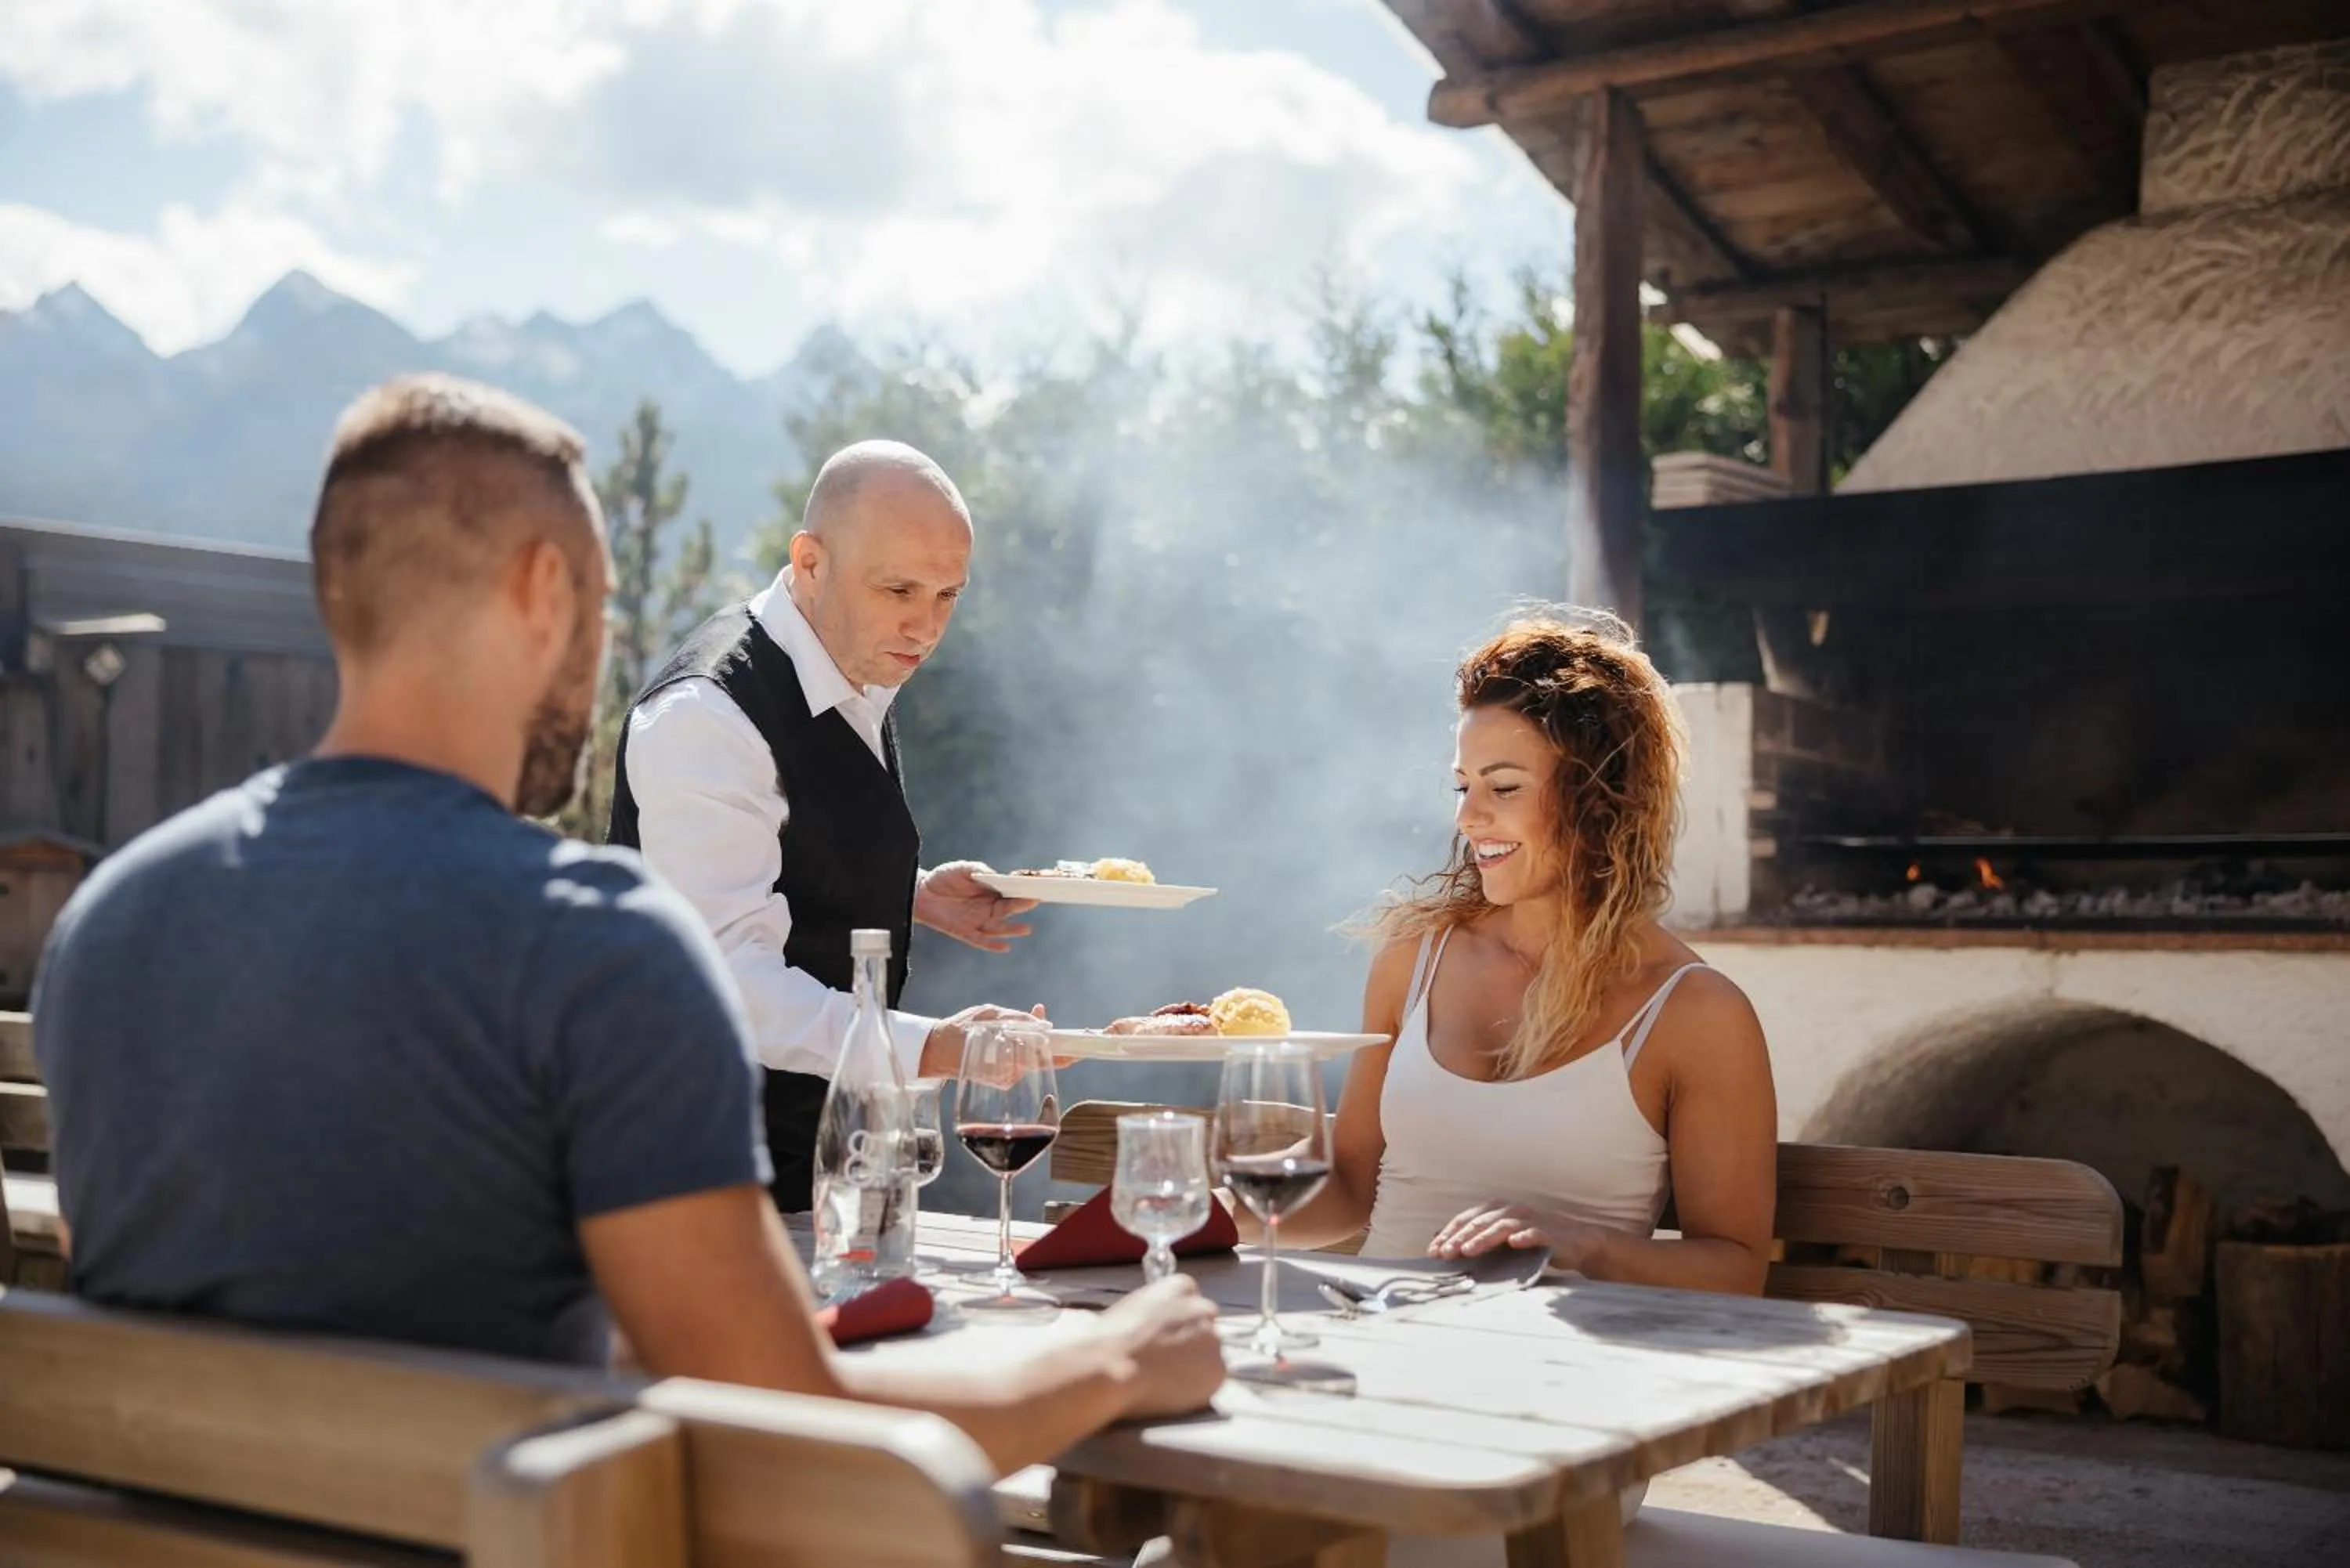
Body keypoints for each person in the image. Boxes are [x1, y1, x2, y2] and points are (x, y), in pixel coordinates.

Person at [33, 374, 1223, 1471]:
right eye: (602, 602)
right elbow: (788, 1416)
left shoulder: (107, 927)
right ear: (544, 593)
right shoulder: (599, 953)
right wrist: (1114, 1361)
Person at [1261, 611, 1777, 1552]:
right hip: (1370, 1372)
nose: (1469, 818)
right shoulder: (1413, 957)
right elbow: (1349, 1187)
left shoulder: (1695, 1012)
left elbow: (1736, 1268)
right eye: (1463, 786)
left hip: (1556, 1418)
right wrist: (1207, 1208)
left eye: (1503, 787)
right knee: (1201, 1528)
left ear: (1602, 796)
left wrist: (1581, 1247)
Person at [608, 440, 1040, 1212]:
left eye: (948, 595)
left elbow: (777, 849)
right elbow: (725, 980)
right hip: (700, 1182)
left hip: (825, 1177)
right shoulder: (705, 717)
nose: (926, 626)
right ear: (810, 562)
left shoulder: (852, 650)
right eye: (899, 589)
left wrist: (907, 892)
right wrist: (936, 1047)